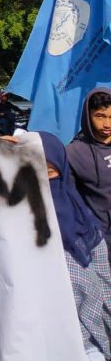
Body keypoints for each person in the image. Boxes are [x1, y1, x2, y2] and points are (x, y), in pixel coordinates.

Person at [39, 132, 111, 361]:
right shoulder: (2, 233)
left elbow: (107, 287)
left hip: (87, 343)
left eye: (50, 171)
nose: (42, 180)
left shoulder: (87, 228)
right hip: (36, 350)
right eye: (31, 172)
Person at [67, 88, 111, 247]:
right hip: (99, 238)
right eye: (100, 116)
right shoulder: (74, 152)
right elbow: (68, 198)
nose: (107, 124)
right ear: (88, 115)